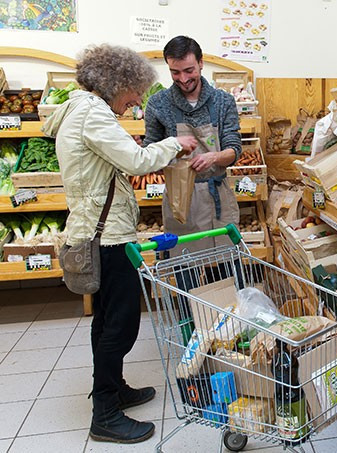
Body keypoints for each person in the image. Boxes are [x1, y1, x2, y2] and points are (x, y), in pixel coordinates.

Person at [42, 44, 197, 444]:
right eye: (134, 92)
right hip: (106, 237)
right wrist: (175, 144)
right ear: (117, 83)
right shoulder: (93, 113)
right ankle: (105, 413)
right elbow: (137, 161)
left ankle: (113, 389)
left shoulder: (83, 110)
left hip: (99, 231)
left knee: (107, 320)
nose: (136, 101)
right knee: (120, 323)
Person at [144, 36, 242, 258]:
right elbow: (150, 151)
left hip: (217, 196)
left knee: (224, 272)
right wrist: (174, 156)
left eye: (189, 70)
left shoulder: (223, 101)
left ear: (201, 63)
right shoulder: (158, 104)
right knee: (183, 270)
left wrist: (214, 158)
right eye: (175, 72)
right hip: (181, 201)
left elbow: (234, 149)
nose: (183, 78)